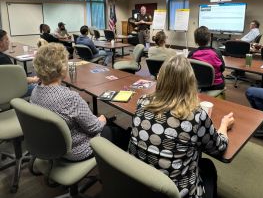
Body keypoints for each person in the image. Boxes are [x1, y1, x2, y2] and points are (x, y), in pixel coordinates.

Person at [128, 55, 234, 198]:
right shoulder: (196, 115)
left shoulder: (142, 101)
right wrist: (224, 125)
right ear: (191, 83)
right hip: (176, 191)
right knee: (208, 166)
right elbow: (219, 147)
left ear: (160, 78)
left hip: (138, 182)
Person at [30, 43, 129, 161]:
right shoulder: (70, 98)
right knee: (118, 132)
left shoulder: (35, 91)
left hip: (52, 145)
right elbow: (94, 128)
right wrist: (102, 119)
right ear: (62, 68)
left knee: (107, 124)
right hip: (78, 151)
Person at [0, 29, 39, 95]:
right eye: (6, 39)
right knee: (41, 87)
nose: (8, 41)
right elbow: (16, 79)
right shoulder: (3, 59)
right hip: (10, 90)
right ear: (0, 43)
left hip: (4, 88)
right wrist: (34, 80)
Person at [188, 26, 225, 91]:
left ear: (195, 40)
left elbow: (188, 69)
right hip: (216, 85)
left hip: (198, 84)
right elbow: (222, 69)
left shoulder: (192, 54)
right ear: (209, 39)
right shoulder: (217, 53)